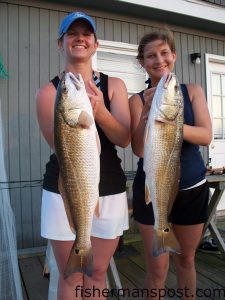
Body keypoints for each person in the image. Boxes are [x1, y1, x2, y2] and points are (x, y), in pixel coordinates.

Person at [36, 12, 130, 300]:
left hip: (110, 189)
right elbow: (62, 150)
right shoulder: (48, 94)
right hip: (64, 191)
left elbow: (125, 139)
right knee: (72, 275)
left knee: (97, 272)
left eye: (86, 33)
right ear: (60, 43)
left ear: (95, 43)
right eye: (71, 33)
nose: (79, 38)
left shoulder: (114, 86)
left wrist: (99, 112)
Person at [129, 30, 212, 300]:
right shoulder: (137, 100)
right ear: (142, 61)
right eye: (151, 55)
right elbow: (139, 149)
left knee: (186, 259)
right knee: (157, 266)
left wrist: (170, 121)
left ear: (174, 56)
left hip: (192, 187)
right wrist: (146, 113)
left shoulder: (192, 92)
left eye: (164, 53)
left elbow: (205, 135)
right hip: (151, 187)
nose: (159, 59)